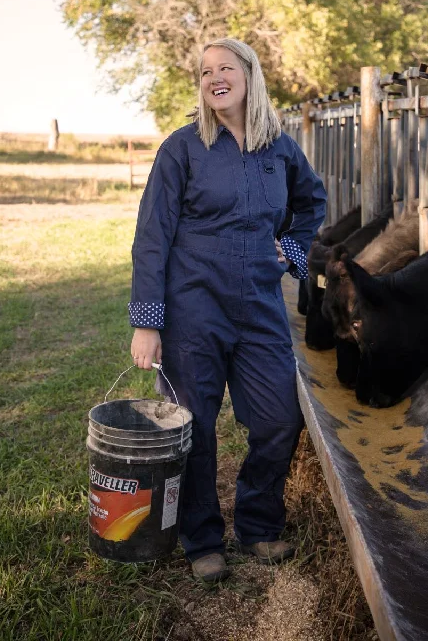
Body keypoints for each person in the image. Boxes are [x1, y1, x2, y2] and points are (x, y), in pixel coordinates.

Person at [129, 38, 326, 583]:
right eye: (206, 71)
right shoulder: (183, 148)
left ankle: (259, 525)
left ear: (249, 75)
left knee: (278, 420)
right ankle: (202, 538)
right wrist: (147, 322)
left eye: (225, 67)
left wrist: (291, 253)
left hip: (260, 305)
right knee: (196, 428)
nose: (215, 76)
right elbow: (152, 237)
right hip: (193, 308)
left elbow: (311, 203)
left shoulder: (279, 149)